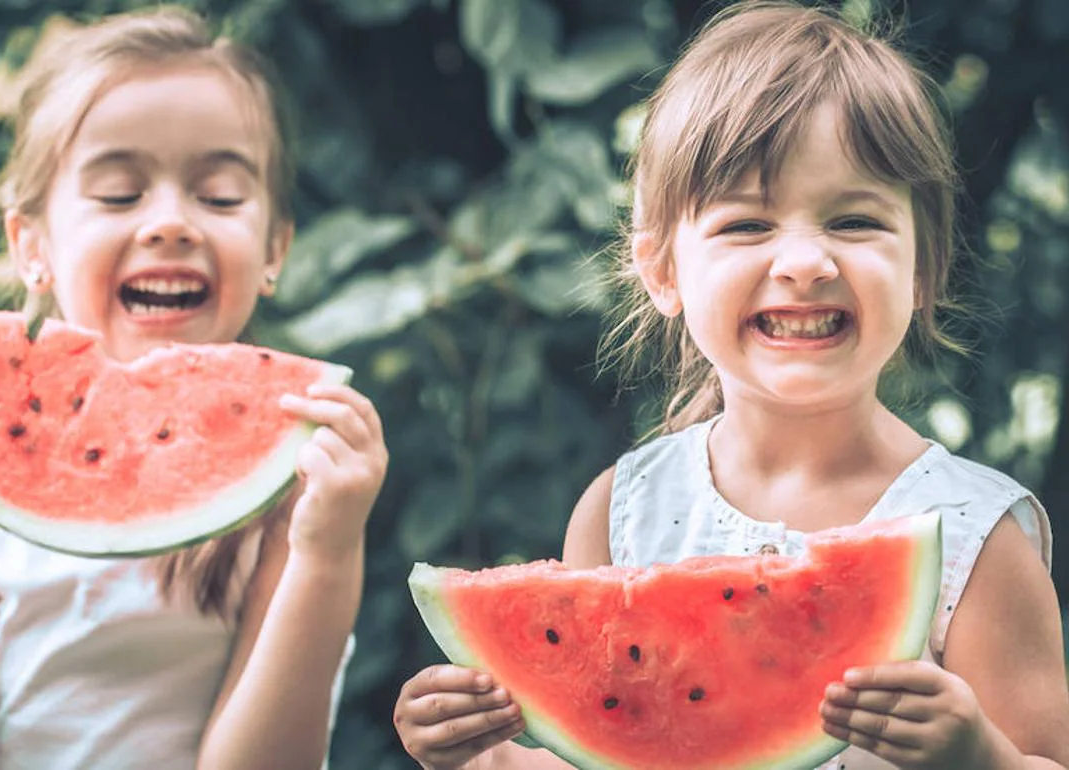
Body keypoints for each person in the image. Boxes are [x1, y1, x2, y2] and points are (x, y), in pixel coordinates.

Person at [392, 2, 1069, 768]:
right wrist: (488, 756)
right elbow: (615, 747)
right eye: (748, 225)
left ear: (924, 268)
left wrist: (980, 755)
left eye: (854, 221)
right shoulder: (622, 510)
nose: (805, 262)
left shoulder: (975, 537)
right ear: (662, 271)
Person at [0, 7, 388, 770]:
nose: (170, 222)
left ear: (275, 248)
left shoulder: (301, 477)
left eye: (220, 197)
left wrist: (328, 553)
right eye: (120, 193)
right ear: (31, 246)